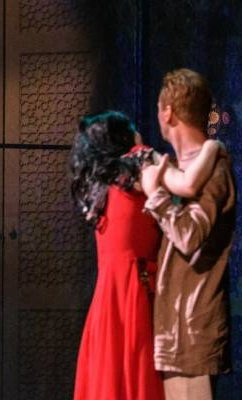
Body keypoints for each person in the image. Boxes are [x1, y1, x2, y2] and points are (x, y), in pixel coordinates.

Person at [71, 111, 220, 400]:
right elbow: (189, 184)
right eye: (132, 127)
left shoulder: (98, 184)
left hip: (107, 301)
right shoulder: (140, 159)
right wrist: (213, 147)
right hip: (137, 292)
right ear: (124, 136)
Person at [141, 68, 236, 400]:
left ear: (168, 112)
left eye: (158, 107)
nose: (157, 114)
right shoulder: (181, 171)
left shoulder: (214, 171)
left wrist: (156, 197)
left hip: (193, 334)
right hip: (176, 334)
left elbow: (190, 236)